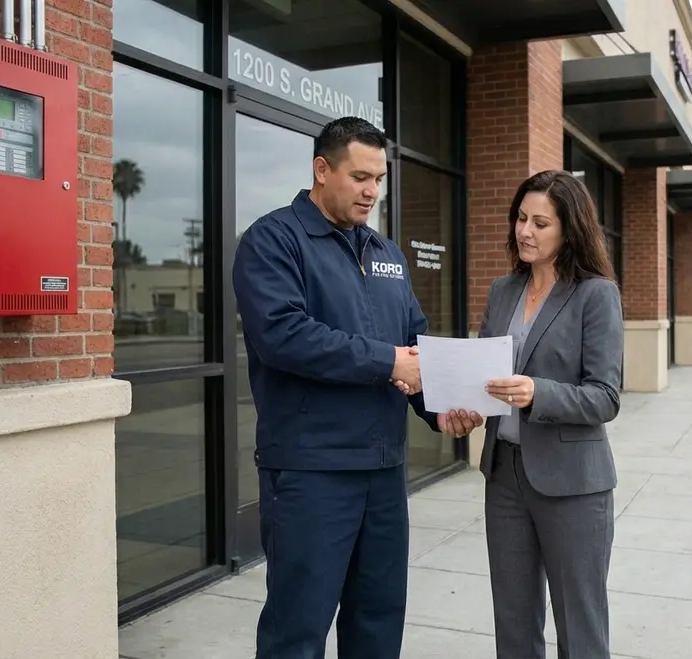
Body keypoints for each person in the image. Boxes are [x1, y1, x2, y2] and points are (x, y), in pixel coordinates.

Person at [232, 116, 440, 659]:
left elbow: (416, 345)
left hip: (383, 471)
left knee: (378, 621)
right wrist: (388, 359)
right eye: (360, 177)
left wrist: (443, 408)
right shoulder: (273, 240)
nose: (372, 191)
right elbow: (284, 335)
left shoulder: (386, 254)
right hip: (311, 472)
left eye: (379, 179)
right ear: (321, 170)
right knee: (297, 630)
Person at [440, 169, 624, 659]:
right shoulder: (503, 290)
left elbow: (606, 396)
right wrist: (465, 406)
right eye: (521, 218)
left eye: (541, 223)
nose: (525, 231)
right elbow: (486, 374)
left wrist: (536, 393)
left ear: (570, 229)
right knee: (514, 623)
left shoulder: (596, 294)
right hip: (505, 477)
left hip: (574, 485)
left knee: (579, 629)